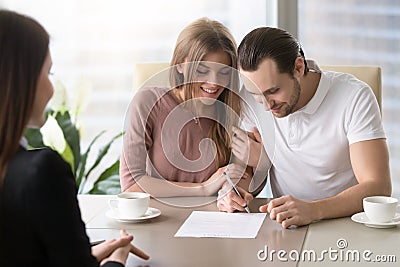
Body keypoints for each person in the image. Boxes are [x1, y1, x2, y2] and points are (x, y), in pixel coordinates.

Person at [0, 9, 149, 266]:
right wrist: (117, 259)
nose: (52, 87)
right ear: (20, 80)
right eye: (48, 73)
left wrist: (83, 254)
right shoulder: (42, 171)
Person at [222, 26, 391, 228]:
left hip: (347, 224)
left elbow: (378, 187)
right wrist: (237, 191)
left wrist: (313, 210)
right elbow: (250, 170)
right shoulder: (251, 99)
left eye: (273, 91)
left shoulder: (354, 97)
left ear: (299, 67)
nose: (266, 105)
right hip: (287, 226)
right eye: (256, 94)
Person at [120, 18, 257, 204]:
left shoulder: (231, 108)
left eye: (223, 72)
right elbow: (131, 185)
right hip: (160, 220)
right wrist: (202, 188)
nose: (214, 82)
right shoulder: (148, 102)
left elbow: (243, 171)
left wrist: (230, 189)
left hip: (213, 220)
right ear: (180, 65)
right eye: (202, 70)